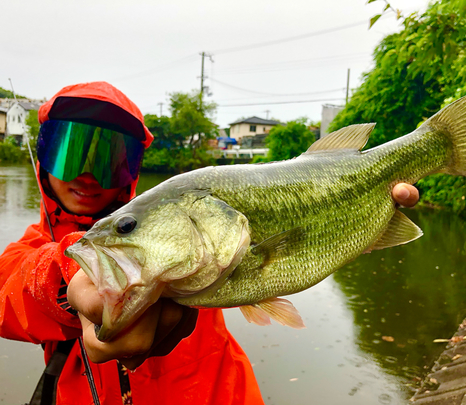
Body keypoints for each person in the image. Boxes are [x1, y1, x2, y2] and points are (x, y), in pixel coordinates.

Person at [0, 81, 420, 405]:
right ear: (43, 153)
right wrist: (66, 280)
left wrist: (353, 227)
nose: (88, 175)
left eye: (108, 157)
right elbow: (11, 289)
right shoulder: (36, 248)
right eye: (72, 153)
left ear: (132, 168)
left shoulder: (183, 218)